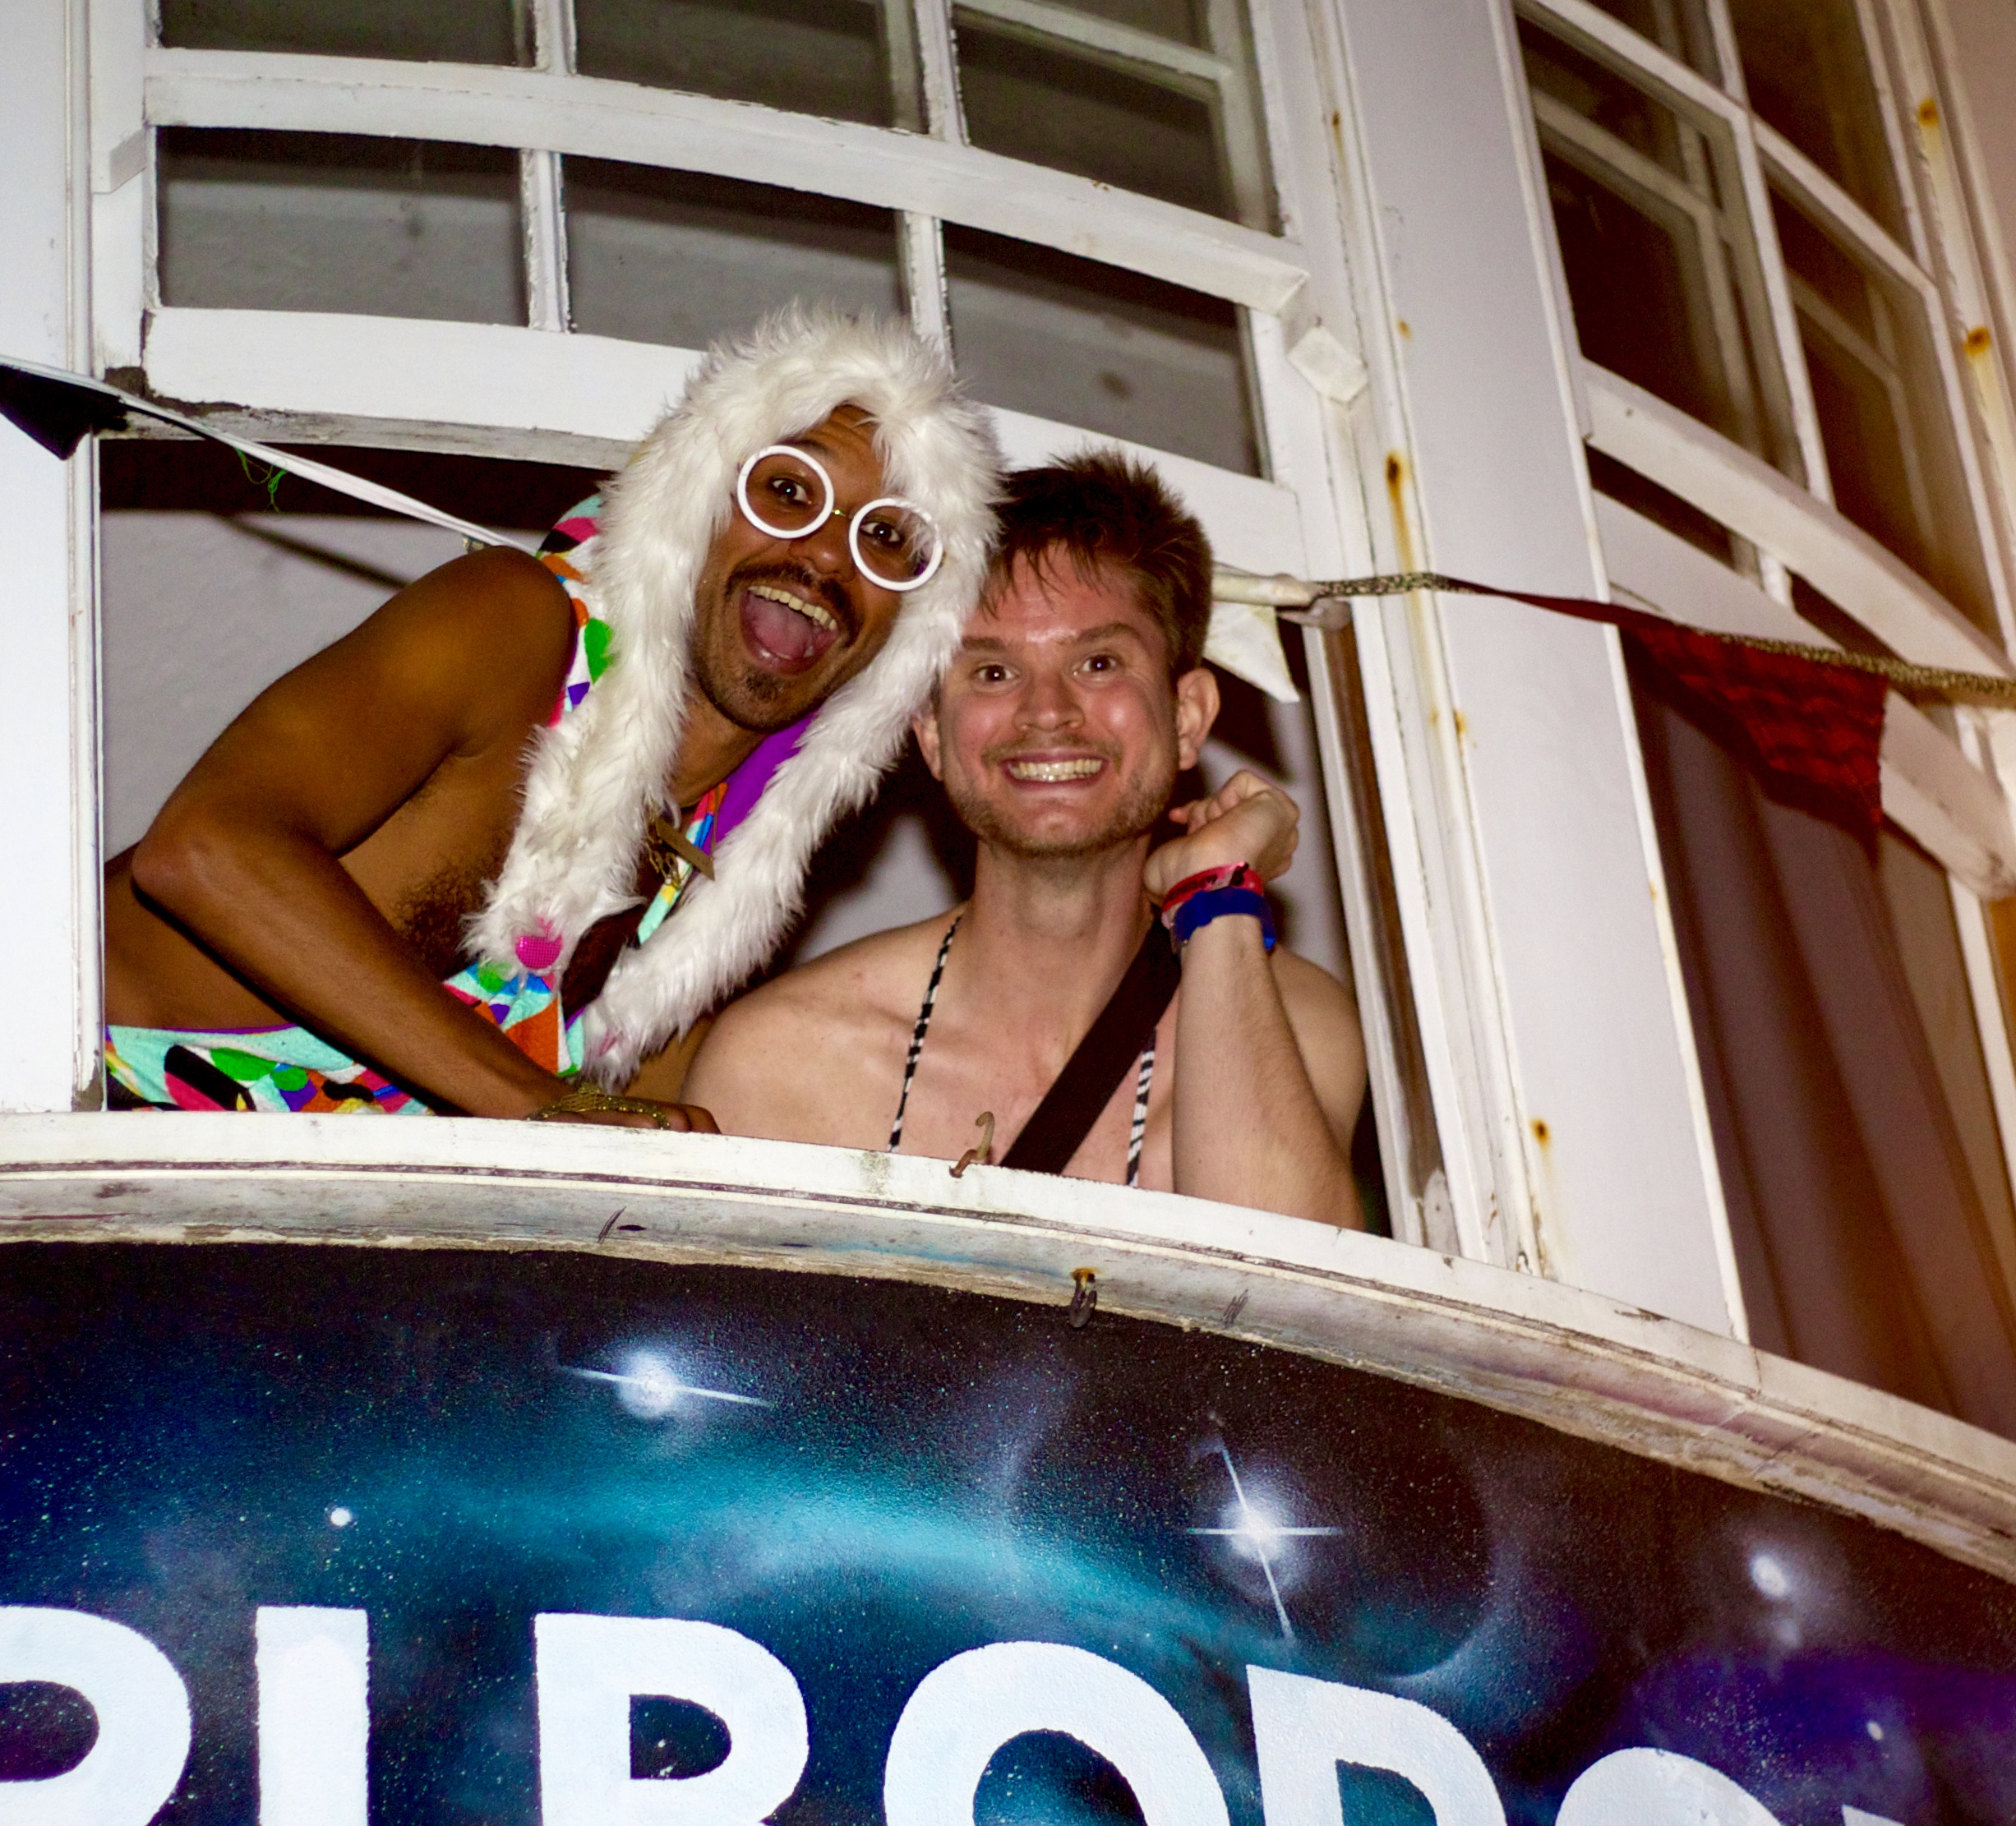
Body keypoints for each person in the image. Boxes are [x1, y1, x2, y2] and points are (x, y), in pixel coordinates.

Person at [102, 305, 1003, 1125]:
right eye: (790, 489)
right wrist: (538, 1103)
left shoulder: (721, 884)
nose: (827, 557)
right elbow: (205, 850)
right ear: (694, 496)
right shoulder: (514, 625)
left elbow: (639, 1134)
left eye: (888, 538)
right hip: (51, 1106)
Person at [684, 452, 1368, 1224]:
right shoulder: (781, 1060)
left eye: (1098, 662)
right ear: (931, 733)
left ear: (1186, 717)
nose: (1047, 711)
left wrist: (1217, 894)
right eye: (993, 673)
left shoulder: (1292, 1021)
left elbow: (1280, 1282)